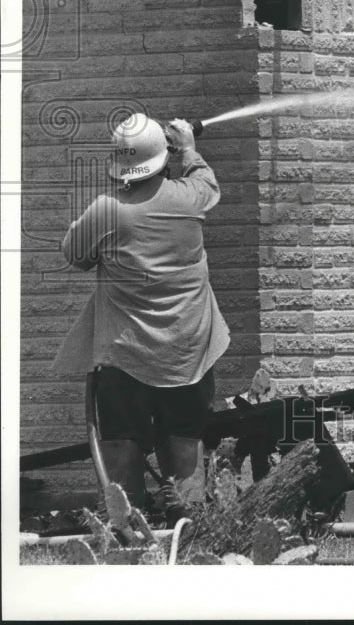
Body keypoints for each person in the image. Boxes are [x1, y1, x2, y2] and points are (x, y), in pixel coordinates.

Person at [54, 114, 230, 521]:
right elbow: (206, 179)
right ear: (162, 159)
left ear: (121, 167)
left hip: (126, 357)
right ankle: (190, 531)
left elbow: (74, 255)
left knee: (120, 445)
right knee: (185, 444)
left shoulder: (107, 211)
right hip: (189, 352)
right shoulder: (191, 199)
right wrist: (186, 144)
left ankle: (129, 536)